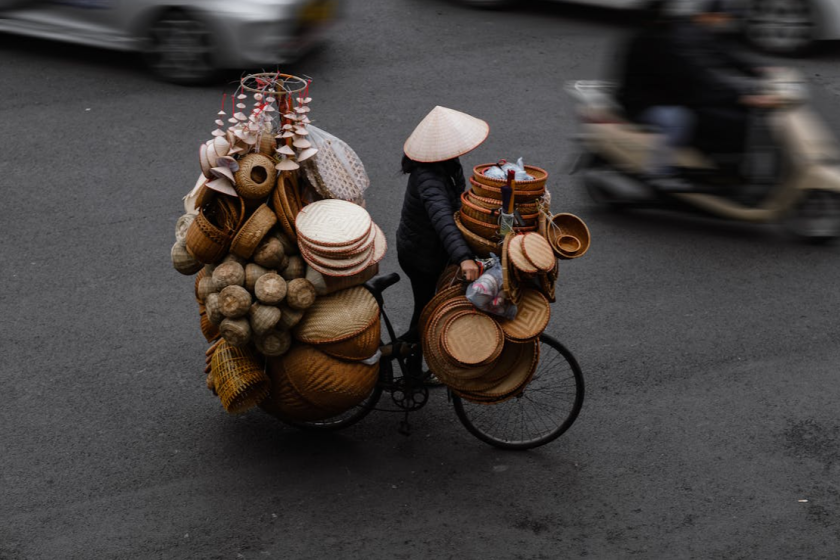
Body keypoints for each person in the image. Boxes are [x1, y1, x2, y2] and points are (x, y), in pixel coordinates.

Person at [616, 0, 780, 189]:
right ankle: (659, 173)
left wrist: (752, 76)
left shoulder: (675, 36)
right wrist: (737, 95)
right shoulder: (656, 42)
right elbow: (692, 75)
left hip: (669, 94)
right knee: (679, 119)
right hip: (644, 103)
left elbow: (718, 59)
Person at [396, 106, 488, 344]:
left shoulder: (446, 164)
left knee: (428, 310)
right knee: (426, 314)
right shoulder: (428, 178)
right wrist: (464, 257)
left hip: (431, 248)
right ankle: (391, 356)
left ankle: (414, 369)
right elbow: (443, 220)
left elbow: (457, 202)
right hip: (420, 256)